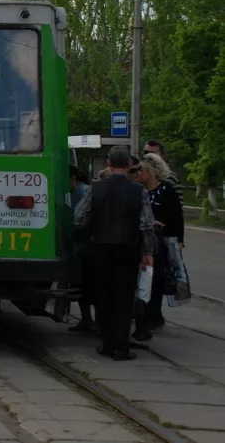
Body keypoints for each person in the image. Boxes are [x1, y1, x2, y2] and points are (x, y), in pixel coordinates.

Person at [74, 146, 155, 361]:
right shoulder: (139, 191)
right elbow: (147, 224)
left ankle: (107, 344)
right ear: (129, 164)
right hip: (128, 249)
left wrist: (93, 230)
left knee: (104, 297)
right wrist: (148, 251)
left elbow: (79, 218)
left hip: (100, 249)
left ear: (108, 164)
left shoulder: (96, 188)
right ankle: (122, 347)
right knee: (124, 297)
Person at [132, 153, 184, 339]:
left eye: (142, 170)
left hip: (161, 243)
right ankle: (144, 317)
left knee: (156, 281)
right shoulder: (140, 190)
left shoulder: (166, 189)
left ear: (152, 172)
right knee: (145, 282)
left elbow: (177, 217)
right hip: (144, 243)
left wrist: (178, 240)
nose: (139, 173)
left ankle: (155, 318)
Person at [69, 165, 96, 334]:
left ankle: (94, 320)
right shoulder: (71, 193)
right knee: (80, 285)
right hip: (77, 246)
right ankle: (86, 319)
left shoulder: (85, 192)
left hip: (87, 245)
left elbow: (82, 219)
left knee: (89, 283)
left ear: (73, 178)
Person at [143, 139, 184, 206]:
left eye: (153, 153)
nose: (148, 156)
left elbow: (179, 204)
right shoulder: (137, 174)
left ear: (161, 156)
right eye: (146, 152)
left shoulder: (170, 176)